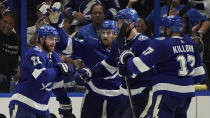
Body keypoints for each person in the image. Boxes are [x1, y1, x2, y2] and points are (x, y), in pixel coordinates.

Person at [75, 8, 155, 118]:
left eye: (122, 22)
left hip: (143, 95)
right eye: (118, 22)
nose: (118, 26)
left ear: (132, 24)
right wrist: (91, 73)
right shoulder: (119, 43)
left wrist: (131, 66)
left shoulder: (144, 42)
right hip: (125, 95)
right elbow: (108, 66)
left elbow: (153, 71)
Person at [120, 15, 205, 118]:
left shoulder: (161, 43)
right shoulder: (191, 43)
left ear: (169, 29)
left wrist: (127, 57)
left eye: (165, 28)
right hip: (187, 94)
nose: (163, 30)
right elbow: (200, 75)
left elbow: (138, 66)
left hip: (167, 93)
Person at [59, 19, 124, 117]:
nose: (105, 36)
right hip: (93, 96)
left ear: (116, 34)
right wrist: (58, 26)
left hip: (118, 99)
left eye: (109, 33)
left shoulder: (125, 49)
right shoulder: (90, 45)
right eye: (103, 32)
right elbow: (66, 46)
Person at [9, 25, 76, 118]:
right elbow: (43, 76)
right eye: (50, 39)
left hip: (42, 108)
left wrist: (63, 99)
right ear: (41, 39)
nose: (53, 42)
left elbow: (58, 80)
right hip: (23, 104)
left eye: (55, 39)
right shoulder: (33, 53)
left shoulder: (54, 56)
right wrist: (59, 69)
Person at [0, 10, 21, 92]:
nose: (7, 25)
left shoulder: (17, 40)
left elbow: (26, 58)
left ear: (13, 26)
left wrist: (21, 71)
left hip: (9, 81)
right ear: (0, 21)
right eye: (5, 21)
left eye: (10, 24)